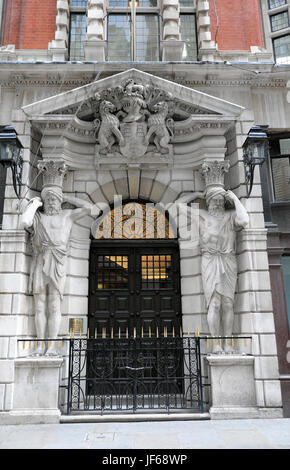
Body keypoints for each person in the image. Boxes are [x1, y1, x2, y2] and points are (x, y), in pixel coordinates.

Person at [20, 186, 100, 355]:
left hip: (57, 264)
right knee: (40, 307)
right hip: (41, 262)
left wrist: (67, 198)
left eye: (54, 199)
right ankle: (40, 344)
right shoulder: (38, 217)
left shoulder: (67, 215)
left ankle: (51, 347)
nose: (50, 202)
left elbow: (90, 208)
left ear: (59, 201)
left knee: (54, 306)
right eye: (47, 199)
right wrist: (34, 203)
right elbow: (25, 222)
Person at [176, 187, 249, 353]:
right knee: (214, 304)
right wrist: (196, 194)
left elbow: (244, 221)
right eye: (214, 200)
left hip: (228, 259)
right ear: (208, 202)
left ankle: (228, 344)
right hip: (210, 260)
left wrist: (235, 199)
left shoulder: (231, 217)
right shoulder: (202, 216)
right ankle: (216, 344)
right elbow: (179, 206)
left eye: (220, 200)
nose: (217, 203)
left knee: (228, 303)